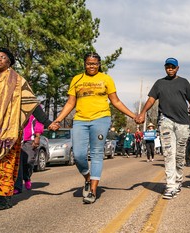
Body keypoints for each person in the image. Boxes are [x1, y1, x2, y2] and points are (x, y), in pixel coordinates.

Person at [51, 52, 136, 204]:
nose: (92, 66)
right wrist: (58, 120)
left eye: (95, 64)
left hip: (101, 119)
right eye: (89, 63)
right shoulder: (77, 79)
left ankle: (92, 191)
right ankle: (88, 178)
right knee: (78, 155)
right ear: (84, 64)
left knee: (97, 153)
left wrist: (133, 115)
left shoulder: (106, 79)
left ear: (99, 64)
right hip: (80, 120)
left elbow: (115, 101)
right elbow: (70, 103)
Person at [0, 47, 55, 211]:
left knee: (3, 164)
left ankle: (2, 198)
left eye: (3, 57)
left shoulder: (18, 81)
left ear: (9, 61)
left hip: (7, 132)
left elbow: (32, 104)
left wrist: (47, 123)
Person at [136, 58, 190, 199]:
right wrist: (143, 112)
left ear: (177, 68)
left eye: (172, 67)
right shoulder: (159, 83)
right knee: (169, 153)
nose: (170, 69)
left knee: (180, 155)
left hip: (183, 123)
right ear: (164, 68)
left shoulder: (184, 82)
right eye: (168, 67)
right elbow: (151, 99)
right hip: (166, 121)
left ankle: (178, 179)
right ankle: (170, 185)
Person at [14, 115, 44, 194]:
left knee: (29, 160)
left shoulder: (34, 105)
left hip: (29, 139)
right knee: (17, 163)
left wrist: (37, 136)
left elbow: (39, 121)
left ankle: (27, 177)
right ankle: (17, 186)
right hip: (15, 138)